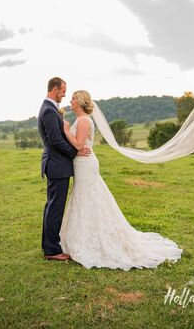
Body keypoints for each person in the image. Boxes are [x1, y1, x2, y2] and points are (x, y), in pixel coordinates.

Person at [60, 90, 183, 270]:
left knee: (87, 198)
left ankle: (91, 239)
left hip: (85, 164)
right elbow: (78, 146)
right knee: (84, 198)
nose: (69, 101)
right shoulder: (81, 120)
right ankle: (80, 236)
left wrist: (65, 130)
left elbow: (78, 144)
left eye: (72, 99)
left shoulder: (84, 120)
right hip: (81, 163)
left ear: (79, 102)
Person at [37, 77, 91, 261]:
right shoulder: (49, 111)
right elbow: (56, 140)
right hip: (57, 165)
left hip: (56, 164)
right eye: (63, 91)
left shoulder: (50, 109)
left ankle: (49, 246)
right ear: (54, 89)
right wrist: (75, 152)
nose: (65, 94)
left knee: (52, 206)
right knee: (54, 208)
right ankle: (52, 250)